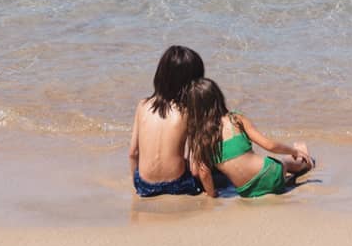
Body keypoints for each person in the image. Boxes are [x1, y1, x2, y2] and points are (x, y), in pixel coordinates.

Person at [183, 77, 315, 198]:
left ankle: (292, 170)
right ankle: (304, 160)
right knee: (285, 162)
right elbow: (270, 146)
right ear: (218, 97)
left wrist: (212, 194)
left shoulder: (199, 138)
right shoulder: (235, 119)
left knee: (281, 170)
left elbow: (203, 172)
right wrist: (294, 151)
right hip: (271, 173)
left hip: (247, 191)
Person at [128, 44, 207, 197]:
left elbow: (133, 153)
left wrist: (137, 184)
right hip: (176, 185)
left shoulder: (142, 105)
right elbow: (195, 166)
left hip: (144, 185)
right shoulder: (189, 111)